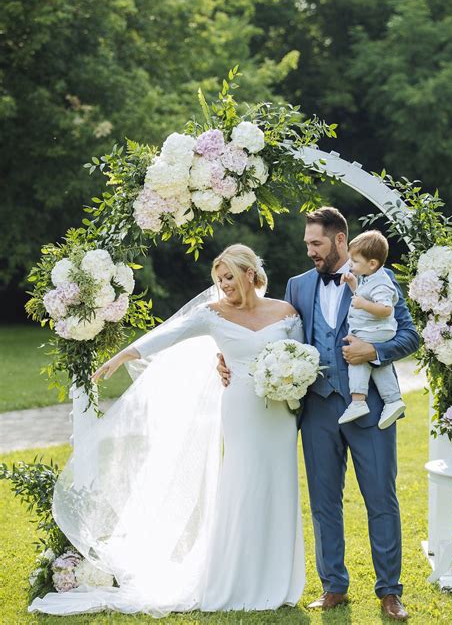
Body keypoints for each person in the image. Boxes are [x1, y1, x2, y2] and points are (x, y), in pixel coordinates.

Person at [29, 244, 306, 617]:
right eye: (219, 279)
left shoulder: (286, 313)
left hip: (281, 415)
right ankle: (236, 577)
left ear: (250, 274)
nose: (224, 285)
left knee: (280, 486)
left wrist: (292, 382)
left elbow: (302, 357)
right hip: (242, 411)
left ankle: (278, 579)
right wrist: (124, 355)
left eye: (229, 277)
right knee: (243, 487)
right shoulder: (213, 314)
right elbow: (170, 333)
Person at [218, 208, 419, 622]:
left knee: (380, 498)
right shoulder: (297, 286)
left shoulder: (377, 278)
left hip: (370, 410)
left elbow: (409, 334)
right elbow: (271, 334)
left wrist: (374, 352)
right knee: (324, 502)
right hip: (318, 409)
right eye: (307, 243)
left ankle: (389, 592)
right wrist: (225, 358)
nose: (309, 250)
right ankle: (334, 587)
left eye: (316, 244)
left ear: (340, 240)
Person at [338, 229, 406, 428]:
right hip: (376, 329)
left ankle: (358, 401)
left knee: (357, 357)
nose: (350, 264)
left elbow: (385, 309)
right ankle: (393, 400)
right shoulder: (371, 277)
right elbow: (365, 295)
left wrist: (363, 305)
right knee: (377, 363)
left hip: (375, 329)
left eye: (355, 261)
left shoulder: (383, 283)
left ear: (372, 263)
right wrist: (353, 284)